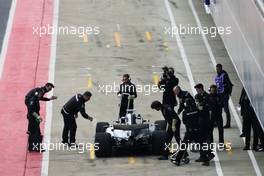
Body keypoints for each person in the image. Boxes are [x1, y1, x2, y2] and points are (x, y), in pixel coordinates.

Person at [172, 98, 199, 165]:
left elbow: (184, 121)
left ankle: (177, 160)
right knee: (200, 144)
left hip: (189, 131)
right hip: (197, 130)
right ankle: (206, 157)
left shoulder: (185, 112)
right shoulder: (196, 110)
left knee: (183, 145)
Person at [195, 93, 215, 166]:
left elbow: (202, 114)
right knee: (201, 142)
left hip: (204, 126)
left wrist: (198, 108)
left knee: (202, 142)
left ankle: (207, 156)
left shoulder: (202, 105)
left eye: (196, 99)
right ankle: (204, 156)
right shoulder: (205, 104)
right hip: (205, 125)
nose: (196, 101)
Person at [214, 64, 233, 128]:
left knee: (226, 109)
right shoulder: (216, 76)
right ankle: (217, 122)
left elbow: (230, 84)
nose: (217, 70)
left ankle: (228, 123)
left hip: (224, 95)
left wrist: (228, 93)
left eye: (218, 69)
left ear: (221, 69)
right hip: (219, 95)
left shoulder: (224, 75)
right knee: (218, 109)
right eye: (216, 69)